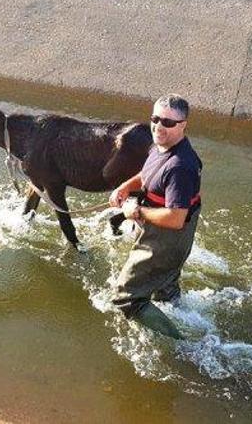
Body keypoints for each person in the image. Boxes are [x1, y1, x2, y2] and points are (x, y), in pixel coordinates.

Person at [108, 94, 202, 339]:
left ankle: (184, 345)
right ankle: (177, 310)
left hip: (167, 238)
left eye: (168, 122)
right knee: (164, 287)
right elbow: (149, 173)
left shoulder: (180, 166)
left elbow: (176, 218)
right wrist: (126, 187)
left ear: (183, 125)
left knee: (125, 297)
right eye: (155, 118)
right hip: (167, 236)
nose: (159, 126)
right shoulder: (161, 146)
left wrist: (135, 212)